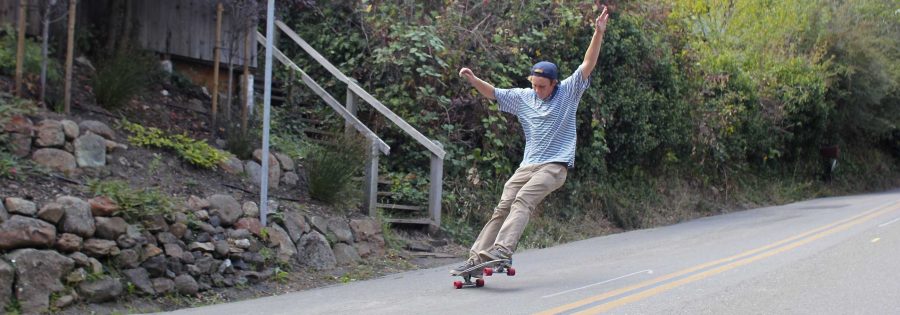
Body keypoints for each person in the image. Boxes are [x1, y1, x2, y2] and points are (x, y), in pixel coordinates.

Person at [451, 6, 610, 276]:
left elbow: (587, 64)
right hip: (527, 166)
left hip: (554, 167)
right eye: (534, 85)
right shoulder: (524, 97)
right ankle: (476, 259)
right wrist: (474, 79)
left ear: (554, 83)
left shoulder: (568, 92)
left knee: (523, 200)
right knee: (502, 207)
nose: (537, 91)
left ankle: (502, 250)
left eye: (542, 87)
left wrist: (598, 33)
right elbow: (493, 94)